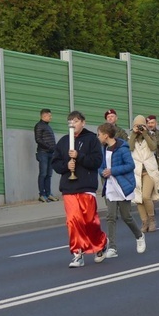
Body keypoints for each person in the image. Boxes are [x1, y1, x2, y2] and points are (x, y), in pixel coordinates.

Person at [51, 111, 107, 268]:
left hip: (86, 185)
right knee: (73, 220)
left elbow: (96, 161)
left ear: (83, 122)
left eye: (75, 121)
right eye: (70, 121)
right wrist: (66, 166)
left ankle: (100, 243)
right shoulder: (63, 141)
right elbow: (55, 163)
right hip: (69, 187)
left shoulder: (91, 140)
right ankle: (77, 253)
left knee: (89, 221)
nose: (72, 124)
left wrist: (79, 156)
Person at [97, 122, 146, 260]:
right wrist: (103, 172)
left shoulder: (122, 148)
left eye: (99, 134)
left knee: (126, 216)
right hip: (110, 187)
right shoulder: (103, 148)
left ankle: (139, 236)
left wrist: (113, 171)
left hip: (123, 186)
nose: (98, 137)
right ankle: (112, 247)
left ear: (106, 135)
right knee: (110, 216)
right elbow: (100, 166)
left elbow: (130, 165)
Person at [129, 115, 159, 233]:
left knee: (145, 196)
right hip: (137, 171)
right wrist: (134, 133)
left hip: (149, 171)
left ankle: (152, 219)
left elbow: (153, 147)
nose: (139, 127)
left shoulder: (150, 135)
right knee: (139, 199)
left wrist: (145, 133)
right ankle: (144, 222)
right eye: (136, 125)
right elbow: (129, 148)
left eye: (141, 125)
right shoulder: (131, 137)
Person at [34, 108, 58, 202]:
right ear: (44, 116)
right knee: (43, 174)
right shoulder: (39, 125)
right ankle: (42, 194)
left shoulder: (47, 126)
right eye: (49, 115)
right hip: (43, 153)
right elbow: (38, 139)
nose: (50, 117)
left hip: (50, 153)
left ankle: (48, 194)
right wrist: (49, 147)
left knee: (49, 174)